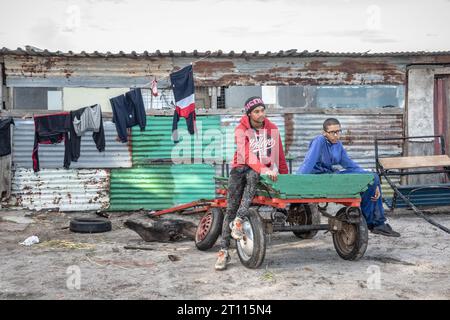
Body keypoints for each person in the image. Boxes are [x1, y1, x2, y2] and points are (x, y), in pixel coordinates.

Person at [215, 96, 289, 270]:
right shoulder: (241, 129)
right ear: (249, 114)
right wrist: (264, 169)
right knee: (230, 209)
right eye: (256, 111)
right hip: (240, 169)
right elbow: (246, 155)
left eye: (263, 110)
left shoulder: (272, 129)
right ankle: (223, 251)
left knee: (255, 174)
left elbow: (280, 155)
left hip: (259, 172)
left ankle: (239, 220)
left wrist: (285, 179)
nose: (261, 114)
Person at [296, 118, 400, 237]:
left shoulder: (338, 145)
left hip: (331, 176)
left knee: (372, 176)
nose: (336, 135)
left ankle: (377, 223)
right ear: (324, 132)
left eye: (338, 131)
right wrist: (297, 181)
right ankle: (375, 223)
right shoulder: (319, 141)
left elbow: (349, 164)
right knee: (371, 177)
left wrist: (371, 181)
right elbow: (308, 162)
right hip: (319, 179)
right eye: (332, 132)